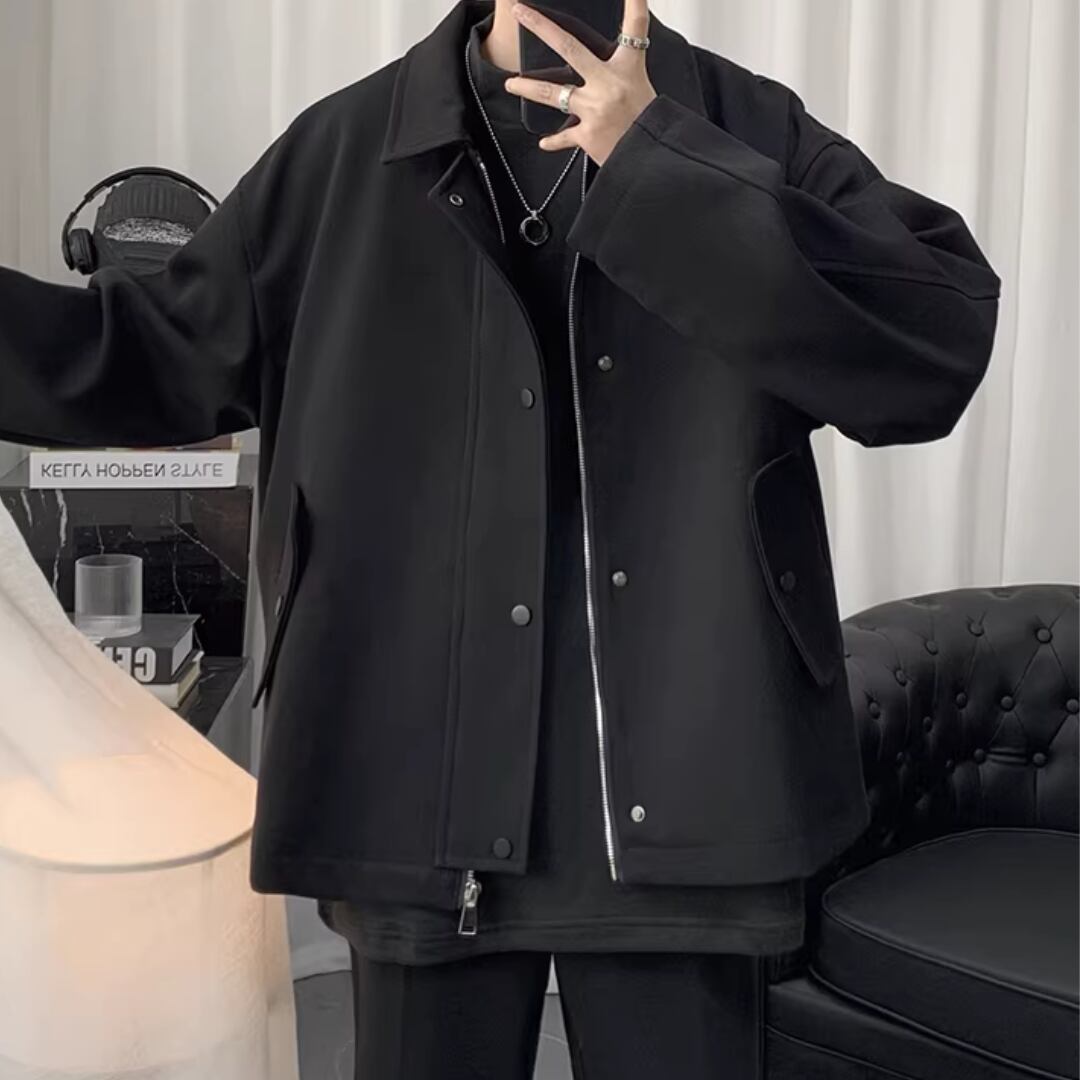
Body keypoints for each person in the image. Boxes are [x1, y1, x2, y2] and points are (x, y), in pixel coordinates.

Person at [0, 0, 1001, 1076]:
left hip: (696, 774)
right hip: (410, 773)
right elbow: (144, 355)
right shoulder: (345, 153)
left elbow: (934, 343)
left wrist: (663, 166)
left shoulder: (744, 129)